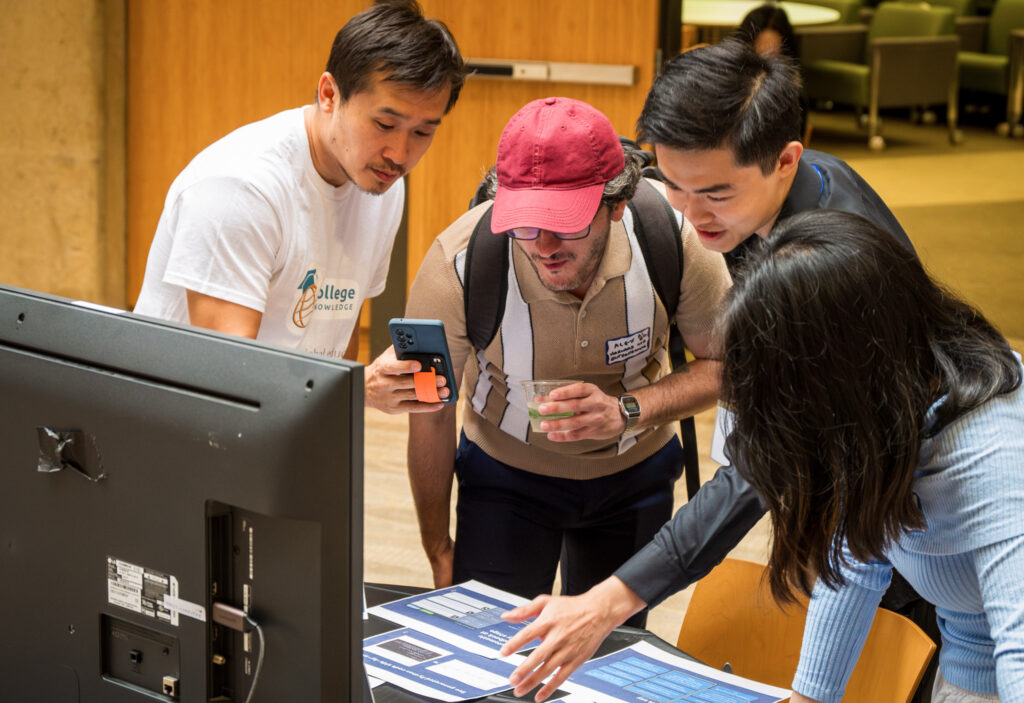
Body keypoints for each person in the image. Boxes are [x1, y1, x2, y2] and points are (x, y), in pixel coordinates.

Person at [496, 41, 936, 702]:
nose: (692, 213)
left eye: (716, 192)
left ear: (785, 159)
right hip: (858, 506)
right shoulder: (777, 200)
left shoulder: (825, 268)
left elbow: (760, 466)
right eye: (675, 186)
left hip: (927, 521)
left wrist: (611, 598)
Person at [403, 97, 731, 622]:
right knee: (491, 657)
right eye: (526, 224)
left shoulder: (673, 236)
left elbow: (728, 367)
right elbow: (429, 411)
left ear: (616, 204)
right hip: (503, 476)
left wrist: (629, 409)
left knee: (605, 657)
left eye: (567, 224)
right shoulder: (456, 263)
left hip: (635, 475)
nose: (545, 246)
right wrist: (438, 546)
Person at [721, 211, 1023, 702]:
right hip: (969, 665)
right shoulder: (888, 411)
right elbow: (858, 557)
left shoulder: (994, 456)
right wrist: (809, 696)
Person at [133, 0, 465, 414]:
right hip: (181, 422)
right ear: (329, 94)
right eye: (384, 124)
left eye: (421, 132)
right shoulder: (241, 186)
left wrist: (337, 418)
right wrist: (356, 390)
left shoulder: (382, 185)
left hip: (285, 422)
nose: (399, 153)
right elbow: (225, 378)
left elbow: (337, 328)